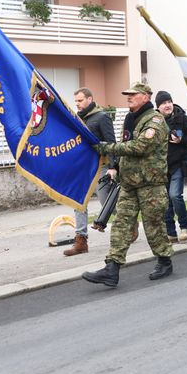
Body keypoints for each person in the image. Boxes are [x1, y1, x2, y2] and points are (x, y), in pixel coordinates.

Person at [83, 82, 173, 288]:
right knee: (121, 225)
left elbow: (141, 146)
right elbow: (128, 145)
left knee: (153, 226)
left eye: (134, 94)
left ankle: (164, 260)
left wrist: (108, 147)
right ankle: (111, 269)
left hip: (151, 183)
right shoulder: (130, 119)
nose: (129, 97)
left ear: (146, 96)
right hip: (129, 183)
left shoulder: (155, 120)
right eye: (127, 95)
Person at [66, 88, 117, 256]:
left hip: (101, 166)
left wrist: (112, 166)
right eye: (76, 102)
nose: (77, 104)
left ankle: (127, 223)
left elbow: (111, 143)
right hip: (83, 167)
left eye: (80, 101)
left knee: (105, 202)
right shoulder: (77, 119)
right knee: (79, 202)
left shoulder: (102, 117)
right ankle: (81, 240)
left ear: (90, 99)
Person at [155, 91, 187, 243]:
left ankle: (184, 226)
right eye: (163, 103)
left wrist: (182, 140)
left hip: (178, 164)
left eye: (169, 101)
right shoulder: (153, 120)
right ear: (158, 107)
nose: (167, 105)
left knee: (175, 195)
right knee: (165, 201)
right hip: (160, 167)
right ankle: (170, 232)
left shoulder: (181, 118)